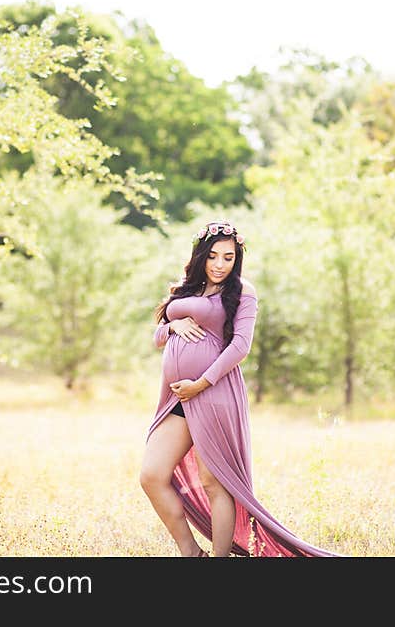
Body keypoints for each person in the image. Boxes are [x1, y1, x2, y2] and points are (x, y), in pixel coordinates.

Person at [139, 221, 342, 557]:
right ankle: (191, 552)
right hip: (177, 398)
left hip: (213, 393)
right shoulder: (185, 289)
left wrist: (201, 383)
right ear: (202, 256)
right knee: (151, 475)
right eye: (214, 256)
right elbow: (158, 336)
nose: (220, 265)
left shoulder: (242, 291)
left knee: (213, 481)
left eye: (229, 258)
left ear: (237, 260)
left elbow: (240, 347)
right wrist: (173, 324)